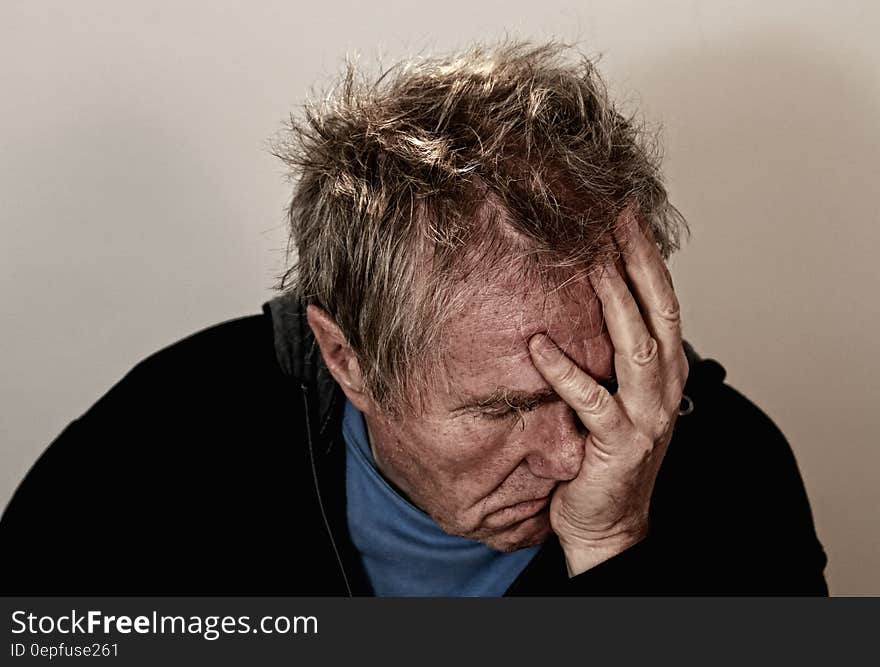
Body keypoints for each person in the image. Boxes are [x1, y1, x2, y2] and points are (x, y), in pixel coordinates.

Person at [0, 39, 828, 595]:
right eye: (504, 407)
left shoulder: (732, 469)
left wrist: (613, 552)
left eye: (599, 386)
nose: (576, 450)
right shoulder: (161, 446)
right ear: (347, 358)